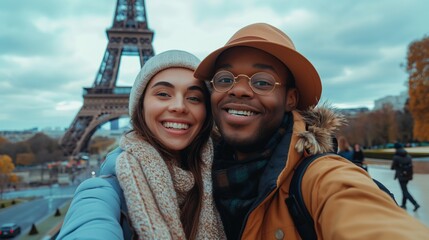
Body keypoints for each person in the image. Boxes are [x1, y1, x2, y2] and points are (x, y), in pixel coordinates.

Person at [193, 23, 429, 239]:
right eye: (224, 79)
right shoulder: (193, 174)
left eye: (262, 82)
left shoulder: (322, 178)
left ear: (291, 99)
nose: (239, 90)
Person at [57, 50, 225, 239]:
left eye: (194, 97)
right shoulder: (102, 193)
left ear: (206, 111)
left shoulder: (227, 180)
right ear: (141, 106)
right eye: (163, 94)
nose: (179, 106)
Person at [391, 142, 420, 211]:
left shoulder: (396, 157)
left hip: (401, 176)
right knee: (404, 190)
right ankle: (404, 205)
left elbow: (392, 167)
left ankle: (415, 204)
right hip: (408, 175)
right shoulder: (408, 156)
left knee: (405, 191)